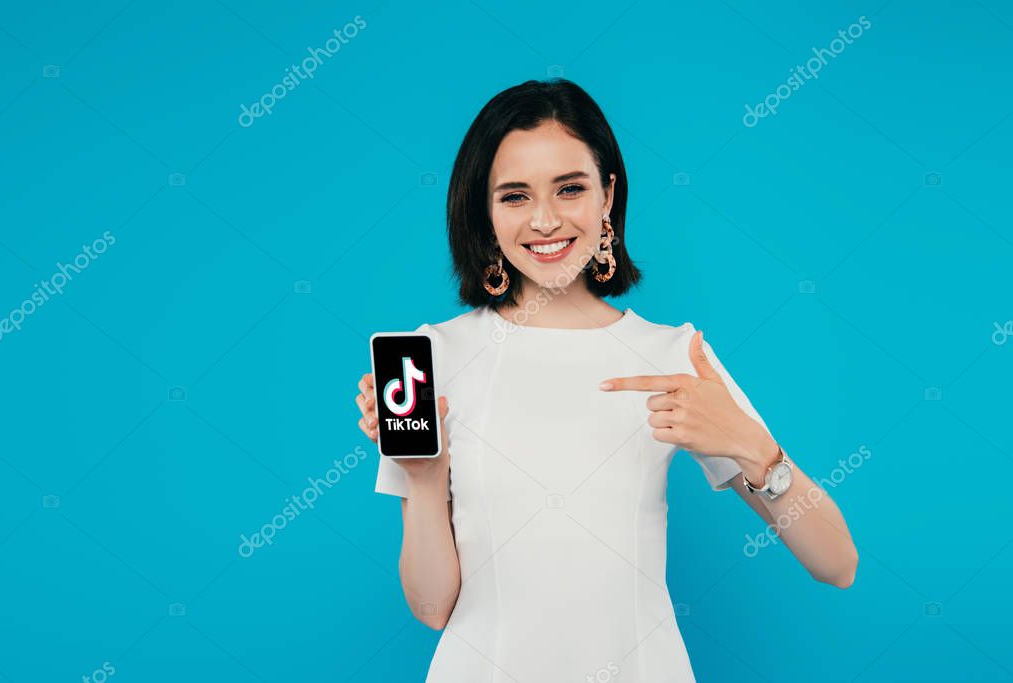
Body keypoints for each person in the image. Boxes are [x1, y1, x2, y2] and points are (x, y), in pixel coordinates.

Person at [355, 78, 858, 682]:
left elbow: (837, 564)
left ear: (608, 196)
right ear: (485, 212)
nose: (545, 220)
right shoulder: (433, 358)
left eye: (570, 188)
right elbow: (433, 608)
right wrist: (424, 476)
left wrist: (754, 448)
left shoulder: (674, 354)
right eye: (514, 196)